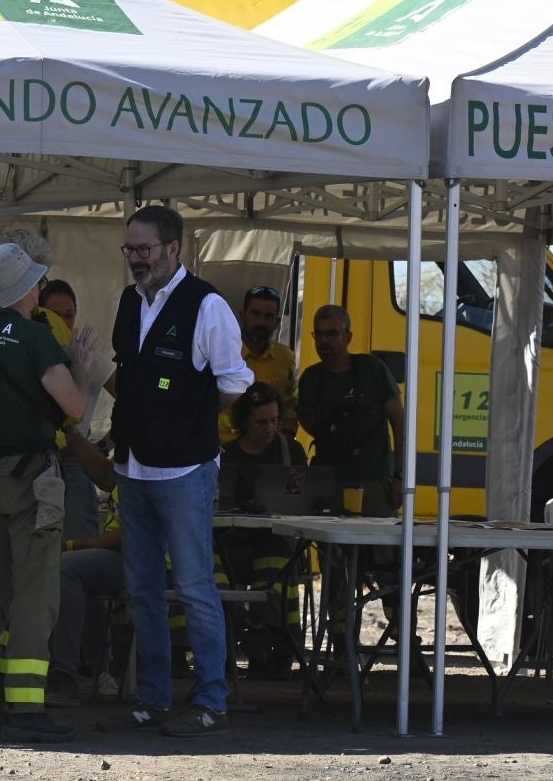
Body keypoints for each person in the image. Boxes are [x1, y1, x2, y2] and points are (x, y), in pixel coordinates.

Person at [98, 205, 251, 738]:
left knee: (193, 585)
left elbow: (235, 381)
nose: (136, 259)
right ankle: (153, 697)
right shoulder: (129, 301)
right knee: (141, 588)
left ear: (173, 248)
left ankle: (210, 700)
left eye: (144, 249)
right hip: (133, 466)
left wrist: (190, 418)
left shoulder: (207, 305)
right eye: (130, 249)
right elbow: (128, 376)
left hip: (185, 469)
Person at [0, 243, 93, 743]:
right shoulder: (35, 337)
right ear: (27, 287)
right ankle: (27, 706)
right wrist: (81, 368)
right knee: (36, 590)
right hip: (31, 479)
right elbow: (73, 407)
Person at [218, 383, 304, 675]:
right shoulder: (227, 456)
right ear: (243, 422)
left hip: (278, 546)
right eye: (261, 422)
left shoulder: (290, 452)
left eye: (275, 420)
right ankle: (236, 639)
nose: (270, 428)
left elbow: (303, 499)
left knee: (277, 554)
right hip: (234, 548)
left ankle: (269, 642)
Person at [298, 305, 406, 515]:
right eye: (319, 334)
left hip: (373, 481)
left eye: (332, 334)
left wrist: (400, 476)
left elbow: (400, 423)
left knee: (378, 535)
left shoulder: (371, 368)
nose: (324, 341)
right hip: (329, 481)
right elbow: (309, 424)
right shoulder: (311, 378)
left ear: (348, 337)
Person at [50, 422, 123, 707]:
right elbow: (106, 476)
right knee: (76, 571)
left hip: (146, 561)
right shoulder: (129, 459)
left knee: (69, 569)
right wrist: (78, 439)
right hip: (129, 559)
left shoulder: (149, 460)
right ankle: (95, 669)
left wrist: (71, 545)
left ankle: (70, 674)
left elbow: (129, 537)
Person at [237, 287, 299, 437]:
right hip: (227, 447)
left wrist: (285, 439)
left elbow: (291, 408)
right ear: (242, 316)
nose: (261, 322)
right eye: (255, 314)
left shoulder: (285, 357)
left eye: (268, 316)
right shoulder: (223, 354)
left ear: (277, 322)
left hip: (272, 446)